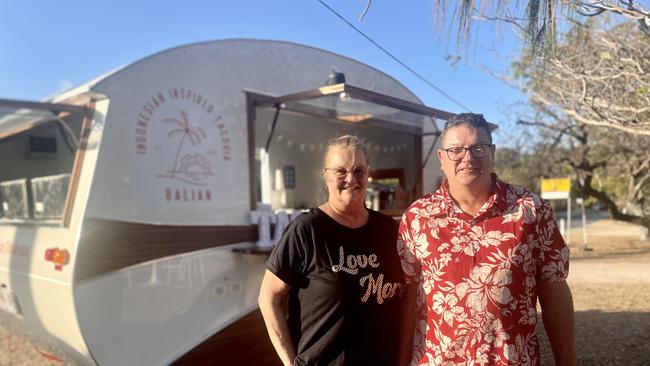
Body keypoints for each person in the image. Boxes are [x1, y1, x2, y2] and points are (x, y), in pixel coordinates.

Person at [397, 113, 576, 366]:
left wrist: (567, 362)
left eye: (478, 148)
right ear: (441, 158)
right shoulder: (417, 218)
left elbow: (554, 290)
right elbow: (408, 299)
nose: (467, 158)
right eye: (456, 150)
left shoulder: (531, 211)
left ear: (492, 153)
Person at [258, 135, 404, 366]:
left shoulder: (387, 230)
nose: (351, 178)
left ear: (368, 174)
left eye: (359, 170)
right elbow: (268, 298)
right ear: (325, 175)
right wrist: (290, 363)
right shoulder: (307, 229)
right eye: (340, 171)